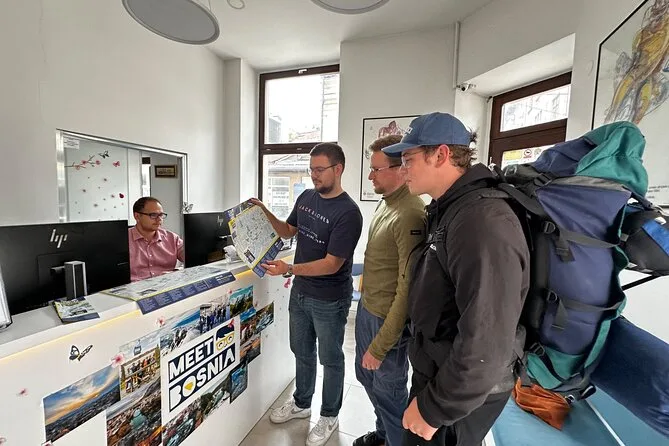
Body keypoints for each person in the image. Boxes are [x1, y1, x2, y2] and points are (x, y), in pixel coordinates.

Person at [381, 112, 530, 446]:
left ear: (441, 154)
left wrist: (435, 409)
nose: (402, 170)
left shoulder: (482, 221)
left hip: (457, 392)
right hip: (441, 373)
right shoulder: (452, 208)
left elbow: (487, 338)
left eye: (408, 160)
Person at [253, 142, 363, 446]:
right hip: (301, 293)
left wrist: (289, 269)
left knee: (331, 358)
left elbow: (331, 264)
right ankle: (302, 404)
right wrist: (263, 211)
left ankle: (329, 415)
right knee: (301, 351)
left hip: (330, 298)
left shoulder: (348, 213)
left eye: (319, 169)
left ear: (338, 169)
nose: (314, 175)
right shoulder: (306, 197)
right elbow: (288, 230)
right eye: (311, 169)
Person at [354, 135, 426, 446]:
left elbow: (407, 288)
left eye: (376, 169)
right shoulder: (386, 203)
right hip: (368, 309)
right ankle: (384, 434)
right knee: (365, 377)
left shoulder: (410, 213)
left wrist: (381, 345)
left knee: (389, 392)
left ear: (400, 169)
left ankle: (396, 439)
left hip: (387, 320)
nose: (370, 176)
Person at [128, 197, 184, 282]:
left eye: (161, 215)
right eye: (153, 215)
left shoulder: (172, 238)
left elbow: (193, 259)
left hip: (166, 285)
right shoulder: (122, 240)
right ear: (137, 216)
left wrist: (176, 273)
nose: (159, 219)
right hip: (134, 288)